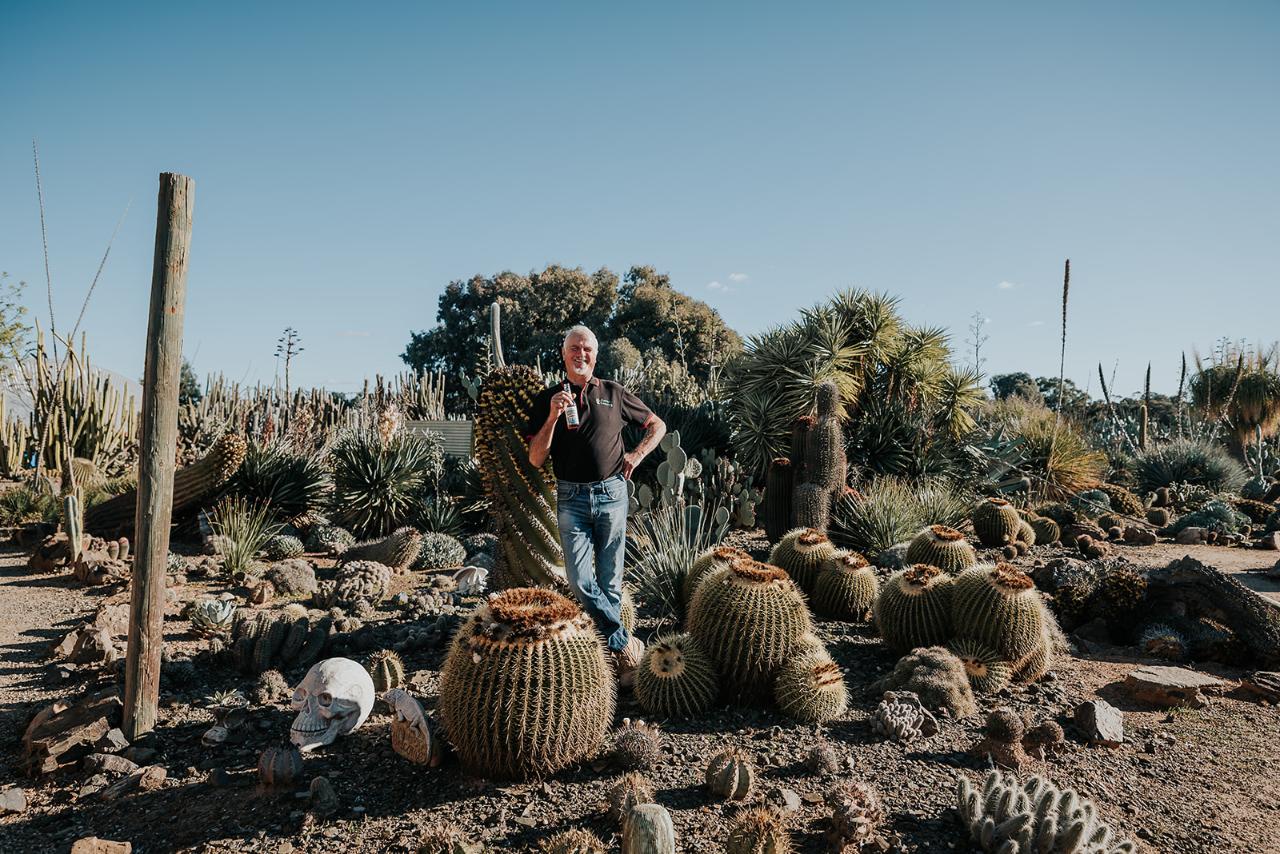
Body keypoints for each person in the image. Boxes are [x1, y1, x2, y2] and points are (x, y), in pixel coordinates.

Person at [526, 325, 666, 685]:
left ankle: (615, 665)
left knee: (611, 582)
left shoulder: (614, 393)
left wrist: (636, 454)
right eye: (574, 348)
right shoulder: (548, 399)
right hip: (571, 498)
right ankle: (623, 641)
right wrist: (553, 417)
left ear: (595, 355)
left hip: (612, 495)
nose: (581, 354)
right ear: (563, 354)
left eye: (587, 348)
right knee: (579, 579)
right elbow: (536, 459)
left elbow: (657, 425)